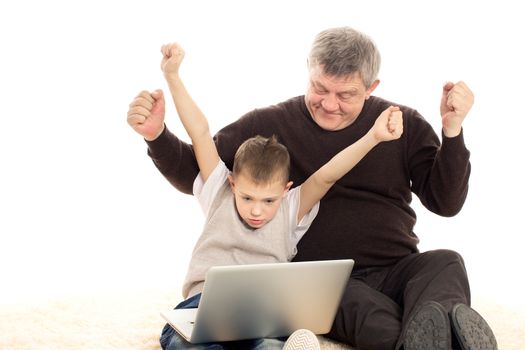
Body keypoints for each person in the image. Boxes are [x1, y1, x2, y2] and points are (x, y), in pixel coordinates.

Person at [127, 27, 497, 350]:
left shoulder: (401, 123)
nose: (329, 104)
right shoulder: (268, 125)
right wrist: (157, 136)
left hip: (397, 266)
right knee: (376, 322)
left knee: (446, 262)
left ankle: (436, 332)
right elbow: (203, 173)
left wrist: (452, 131)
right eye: (320, 88)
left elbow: (446, 203)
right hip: (326, 278)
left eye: (346, 94)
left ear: (372, 87)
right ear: (308, 72)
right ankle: (440, 338)